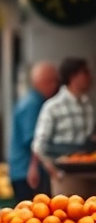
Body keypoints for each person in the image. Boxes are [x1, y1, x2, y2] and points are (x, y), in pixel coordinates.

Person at [32, 57, 95, 195]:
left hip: (89, 173)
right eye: (85, 73)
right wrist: (52, 170)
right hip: (64, 175)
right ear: (73, 77)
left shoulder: (87, 105)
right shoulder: (53, 106)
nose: (90, 77)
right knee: (68, 213)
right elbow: (39, 144)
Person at [8, 61, 60, 202]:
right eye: (52, 81)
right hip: (27, 173)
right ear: (42, 82)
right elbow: (33, 140)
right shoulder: (32, 105)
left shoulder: (35, 102)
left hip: (25, 171)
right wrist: (36, 166)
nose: (55, 86)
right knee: (32, 217)